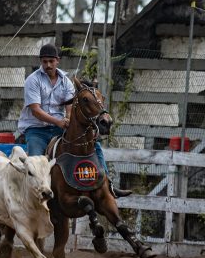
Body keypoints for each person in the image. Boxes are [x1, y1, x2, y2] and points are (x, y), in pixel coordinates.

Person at [18, 43, 130, 198]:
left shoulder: (65, 81)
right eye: (44, 62)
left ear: (58, 60)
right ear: (41, 62)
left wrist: (69, 119)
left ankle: (108, 184)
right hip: (37, 129)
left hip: (59, 126)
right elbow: (36, 110)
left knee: (93, 144)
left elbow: (69, 106)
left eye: (51, 61)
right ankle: (29, 196)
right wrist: (58, 122)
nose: (48, 65)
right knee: (35, 161)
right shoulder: (33, 80)